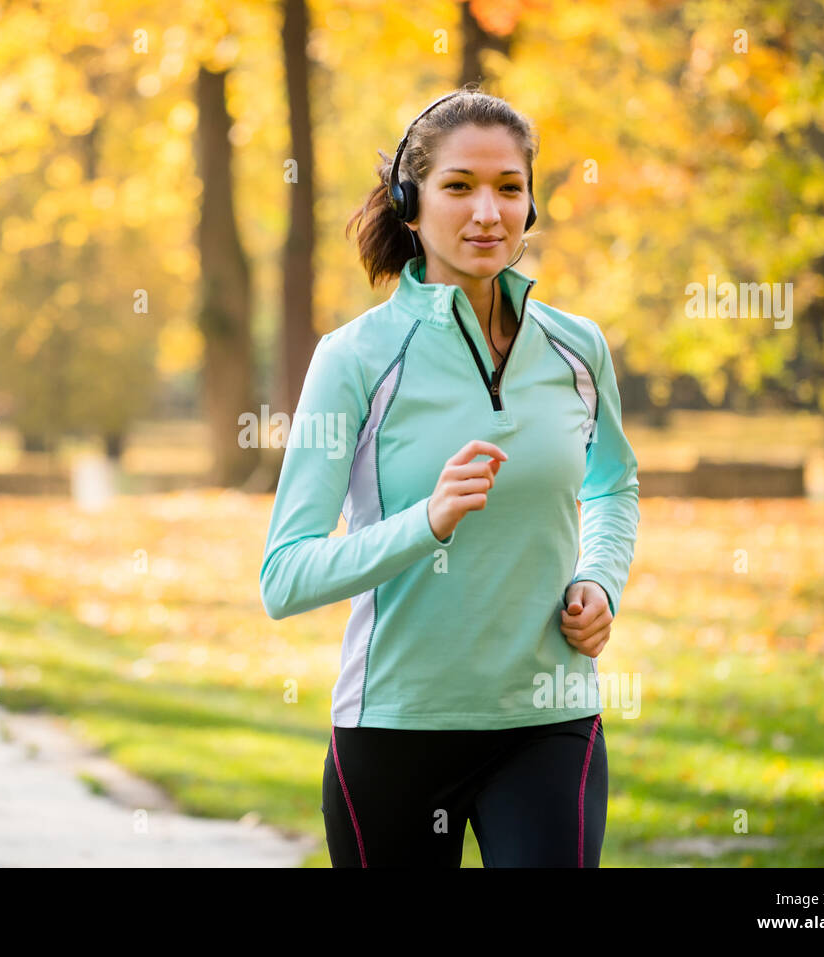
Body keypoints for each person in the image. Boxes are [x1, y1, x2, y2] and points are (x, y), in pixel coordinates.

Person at [258, 86, 640, 867]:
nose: (488, 213)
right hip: (397, 727)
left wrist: (600, 579)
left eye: (509, 188)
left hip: (549, 717)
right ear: (411, 201)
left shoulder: (577, 348)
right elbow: (284, 576)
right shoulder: (355, 358)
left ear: (531, 204)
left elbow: (613, 484)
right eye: (459, 186)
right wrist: (425, 521)